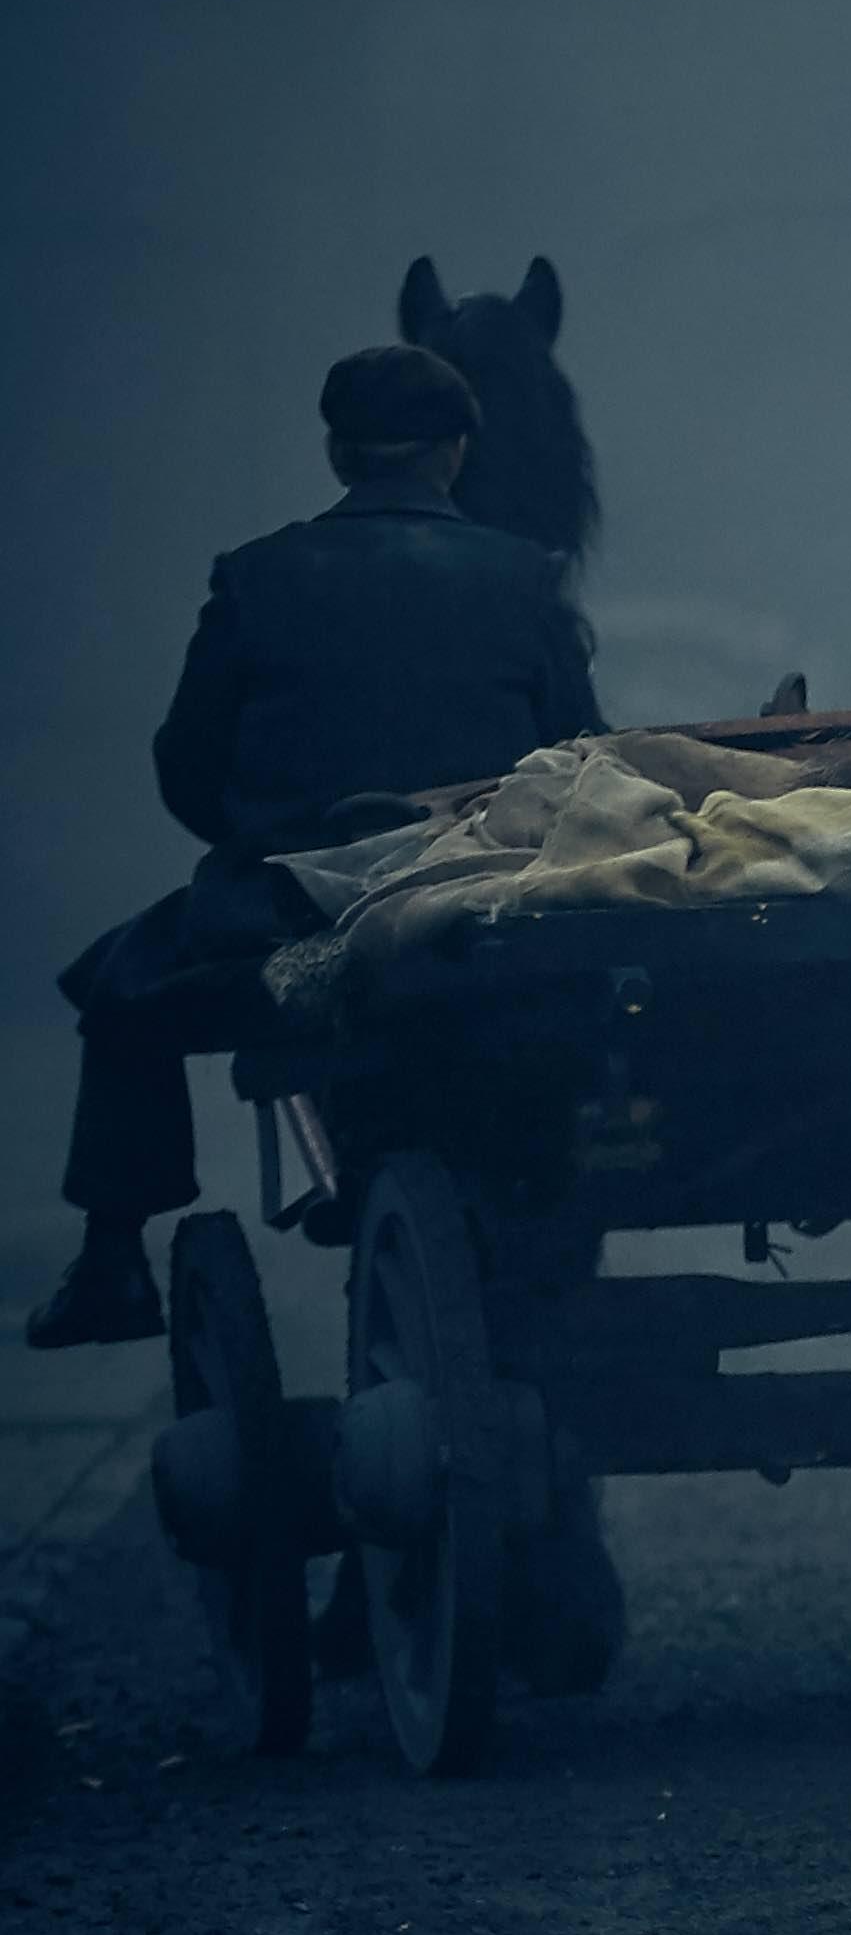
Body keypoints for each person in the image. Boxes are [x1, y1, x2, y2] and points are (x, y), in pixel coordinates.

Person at [26, 344, 603, 1347]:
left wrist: (273, 837)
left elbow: (185, 765)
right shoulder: (528, 579)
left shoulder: (253, 578)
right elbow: (575, 758)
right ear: (454, 455)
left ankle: (114, 1257)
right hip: (477, 919)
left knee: (118, 992)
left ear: (338, 453)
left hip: (292, 931)